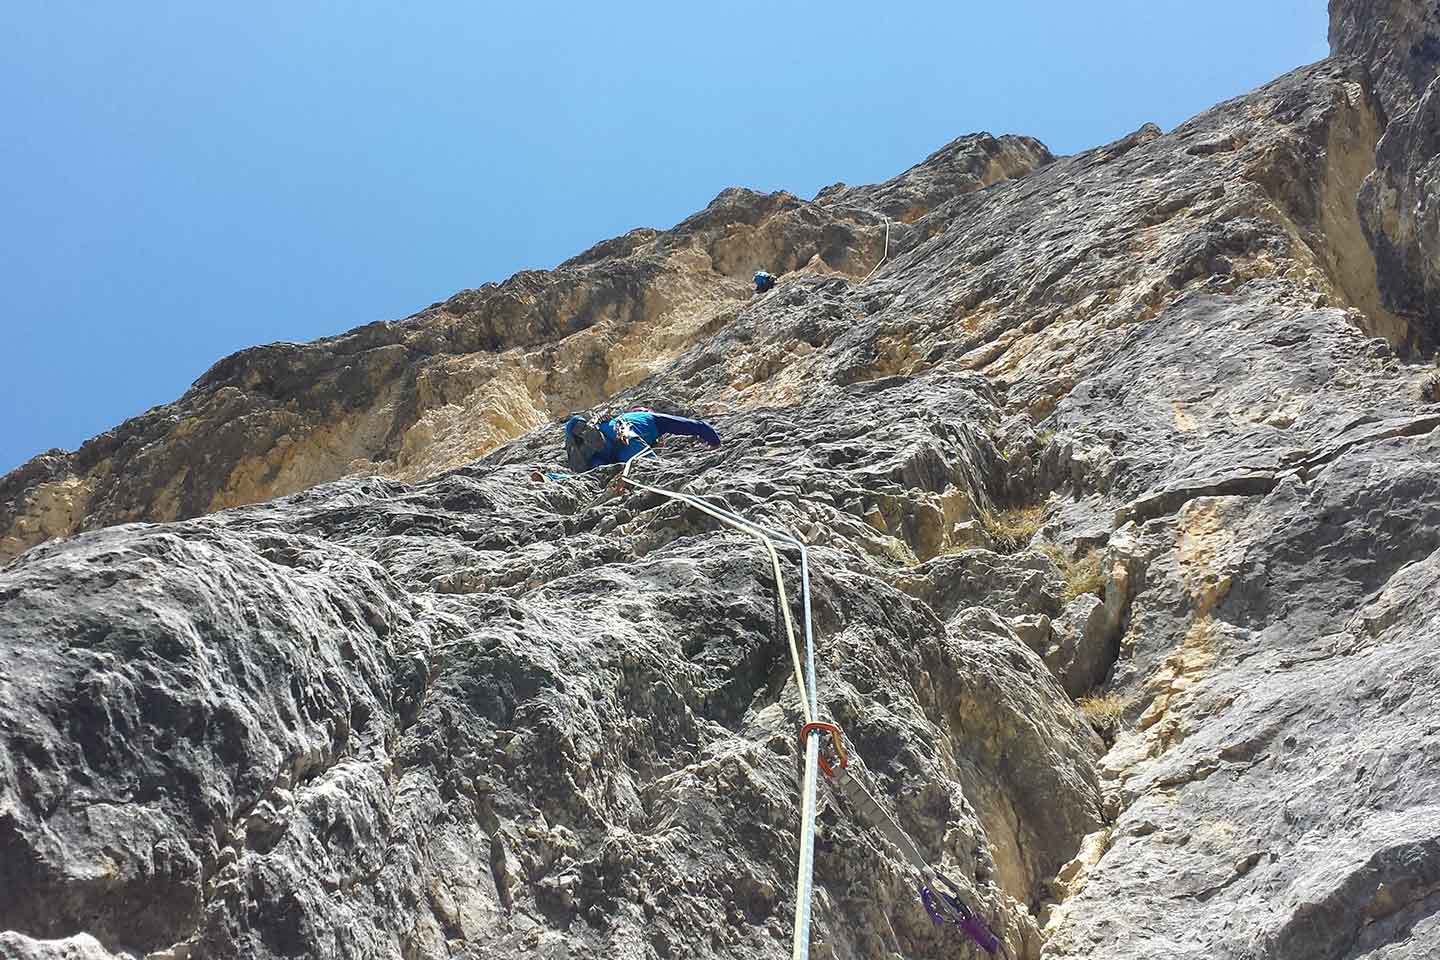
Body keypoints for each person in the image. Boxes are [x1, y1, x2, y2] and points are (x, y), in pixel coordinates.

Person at [564, 411, 721, 473]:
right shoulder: (650, 418)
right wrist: (713, 439)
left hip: (603, 448)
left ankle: (552, 476)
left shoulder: (611, 419)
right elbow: (686, 425)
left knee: (592, 471)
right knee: (651, 469)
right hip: (626, 441)